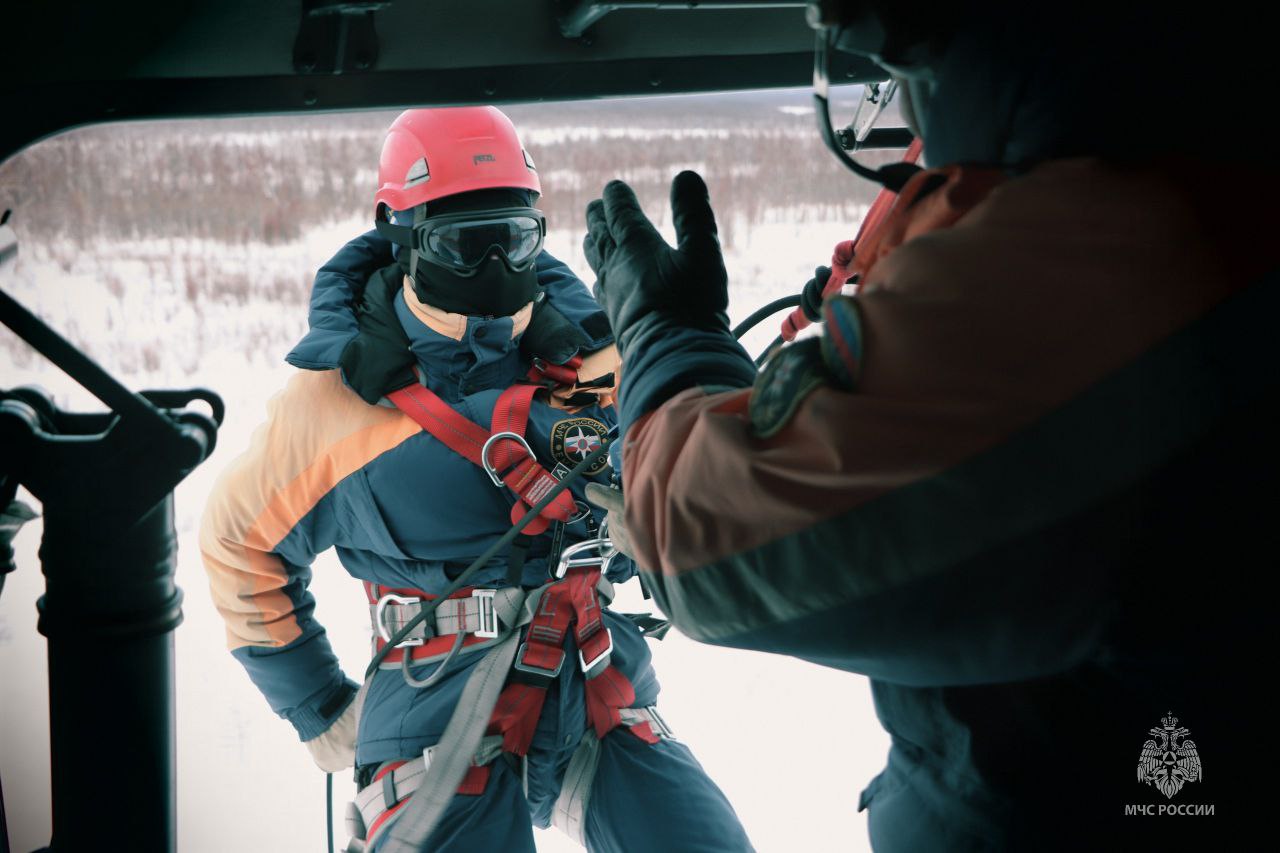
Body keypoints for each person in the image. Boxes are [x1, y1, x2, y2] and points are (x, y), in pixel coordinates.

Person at [582, 2, 1275, 849]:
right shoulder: (1176, 180)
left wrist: (665, 341)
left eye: (900, 63)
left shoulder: (1135, 236)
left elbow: (699, 539)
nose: (904, 110)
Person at [200, 106, 752, 852]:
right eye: (466, 244)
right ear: (402, 234)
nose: (496, 267)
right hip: (431, 719)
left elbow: (712, 489)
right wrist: (322, 708)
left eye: (515, 238)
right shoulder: (336, 401)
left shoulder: (601, 360)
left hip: (593, 691)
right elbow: (238, 542)